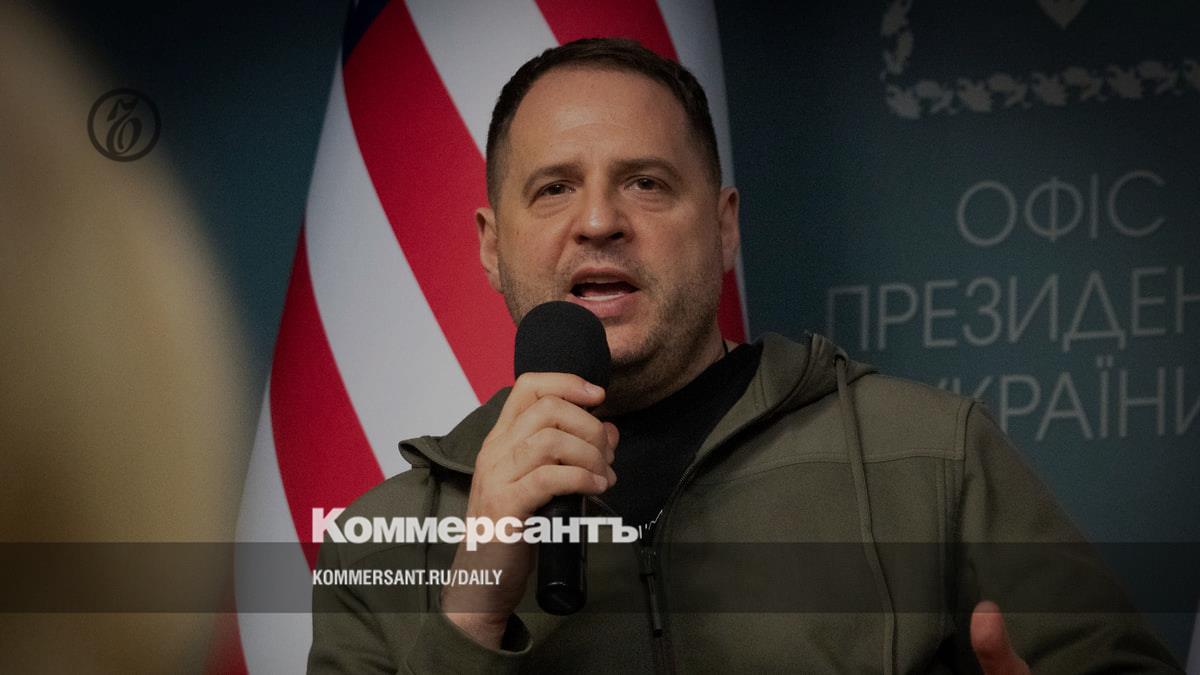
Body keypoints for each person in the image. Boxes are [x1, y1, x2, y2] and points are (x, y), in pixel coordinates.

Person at [307, 38, 1181, 673]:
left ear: (724, 227)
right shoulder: (374, 545)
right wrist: (470, 610)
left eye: (646, 182)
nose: (599, 220)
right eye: (554, 188)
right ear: (492, 247)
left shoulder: (934, 455)